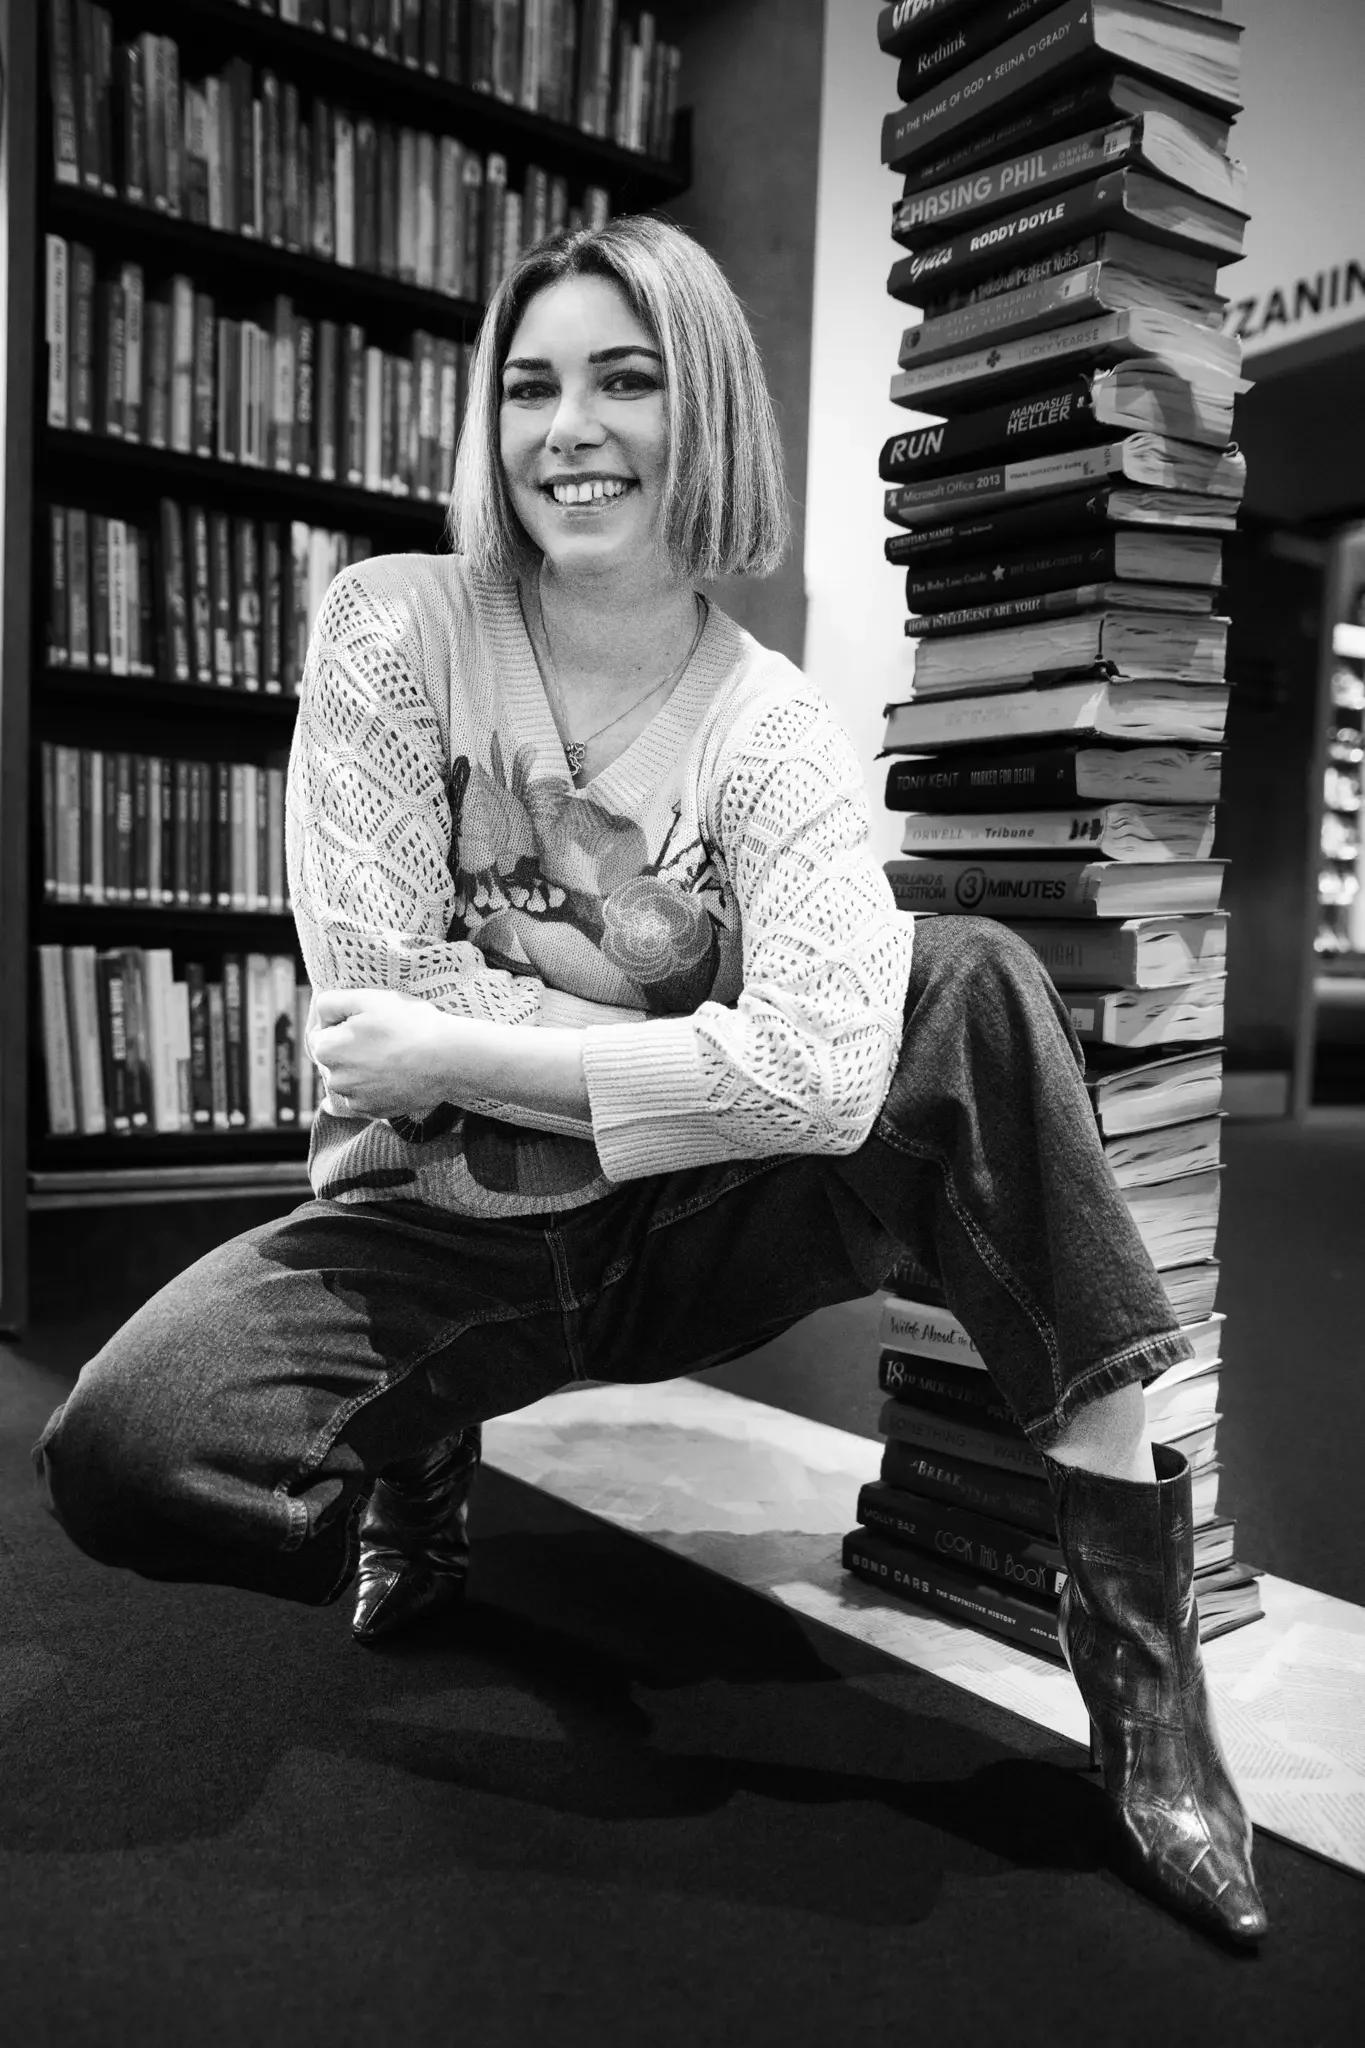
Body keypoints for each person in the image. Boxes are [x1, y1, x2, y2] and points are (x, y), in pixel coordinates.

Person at [33, 216, 1264, 1945]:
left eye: (626, 379)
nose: (569, 430)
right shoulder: (393, 630)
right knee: (124, 1451)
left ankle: (1144, 1684)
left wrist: (467, 1047)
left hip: (688, 1228)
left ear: (704, 416)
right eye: (530, 387)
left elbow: (823, 1066)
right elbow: (368, 989)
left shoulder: (768, 725)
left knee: (964, 978)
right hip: (433, 1227)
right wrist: (695, 1061)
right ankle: (419, 1458)